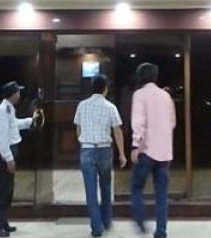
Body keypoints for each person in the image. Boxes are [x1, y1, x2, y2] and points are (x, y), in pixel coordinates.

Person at [74, 74, 127, 238]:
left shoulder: (82, 105)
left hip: (87, 149)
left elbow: (78, 128)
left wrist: (83, 142)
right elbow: (117, 130)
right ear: (106, 88)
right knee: (106, 187)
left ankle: (96, 227)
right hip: (104, 149)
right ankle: (107, 220)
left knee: (90, 190)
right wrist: (122, 154)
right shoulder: (110, 107)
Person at [0, 81, 43, 237]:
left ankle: (3, 223)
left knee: (7, 191)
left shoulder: (9, 109)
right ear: (12, 94)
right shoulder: (3, 110)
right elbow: (3, 137)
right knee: (2, 191)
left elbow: (14, 125)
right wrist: (9, 158)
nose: (19, 95)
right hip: (5, 152)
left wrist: (31, 120)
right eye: (18, 92)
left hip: (8, 151)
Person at [130, 63, 176, 238]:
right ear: (155, 76)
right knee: (162, 194)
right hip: (164, 152)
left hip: (146, 150)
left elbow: (139, 121)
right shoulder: (166, 96)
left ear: (140, 77)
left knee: (136, 187)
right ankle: (161, 231)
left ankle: (141, 222)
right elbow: (172, 122)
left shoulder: (139, 95)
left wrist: (136, 145)